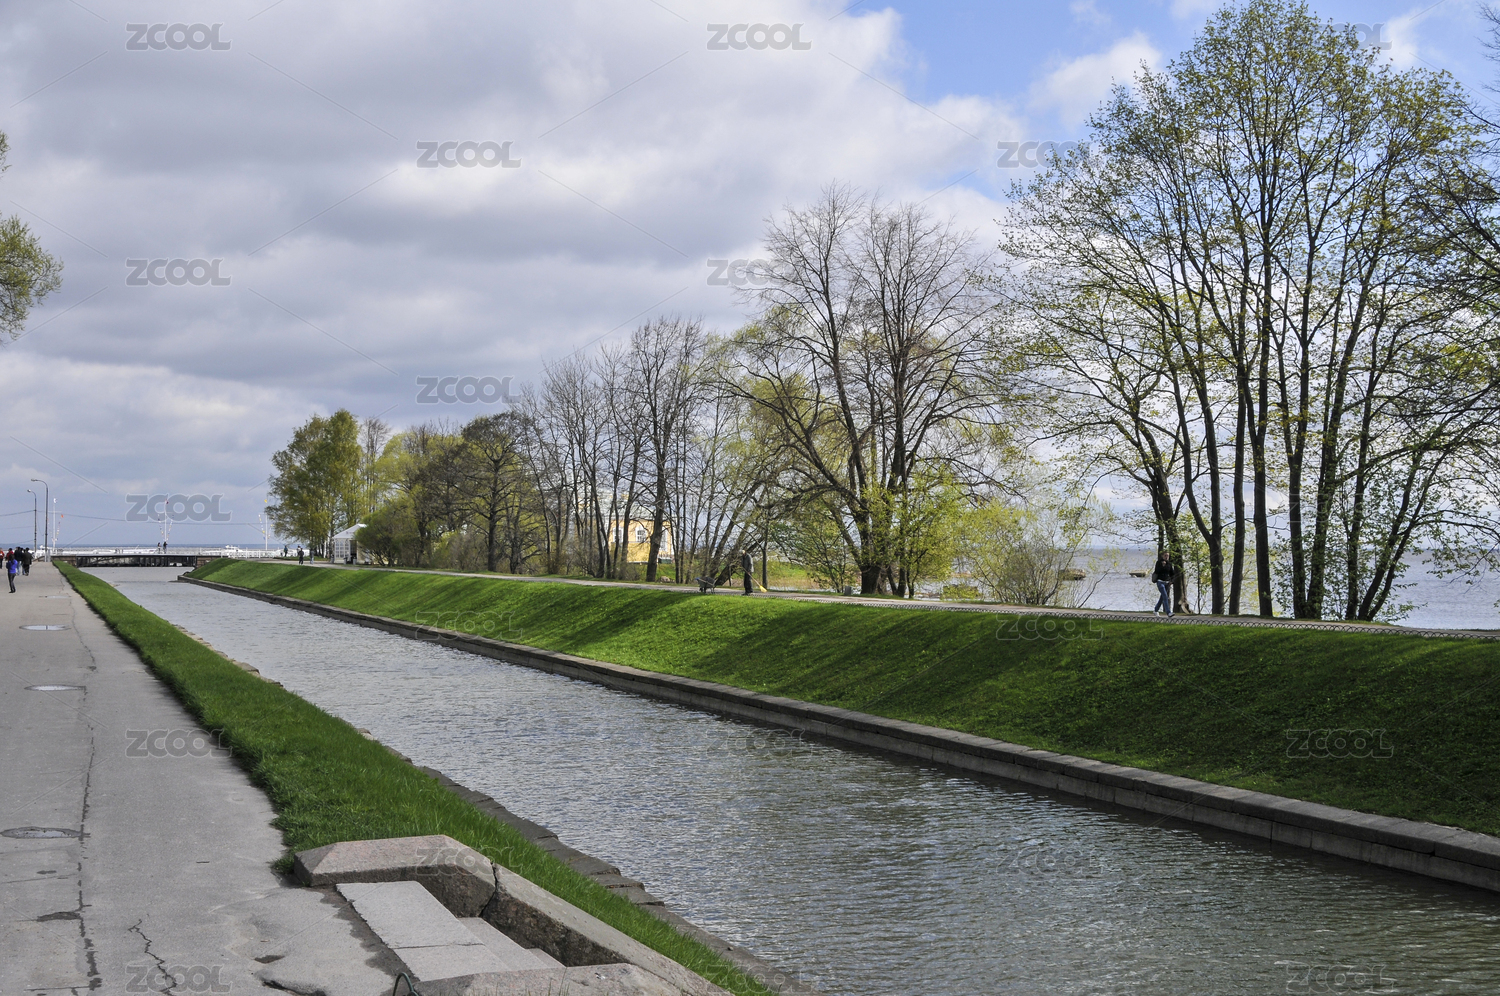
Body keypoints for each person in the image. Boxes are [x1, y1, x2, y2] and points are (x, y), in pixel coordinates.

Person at [1151, 551, 1175, 617]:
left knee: (1162, 598)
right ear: (1162, 556)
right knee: (1165, 596)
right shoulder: (1159, 563)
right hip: (1160, 582)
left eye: (1168, 556)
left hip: (1167, 583)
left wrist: (1172, 581)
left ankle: (1156, 610)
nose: (1166, 557)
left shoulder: (1169, 564)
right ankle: (1168, 612)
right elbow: (1157, 571)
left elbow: (1172, 574)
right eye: (1165, 555)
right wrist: (1163, 566)